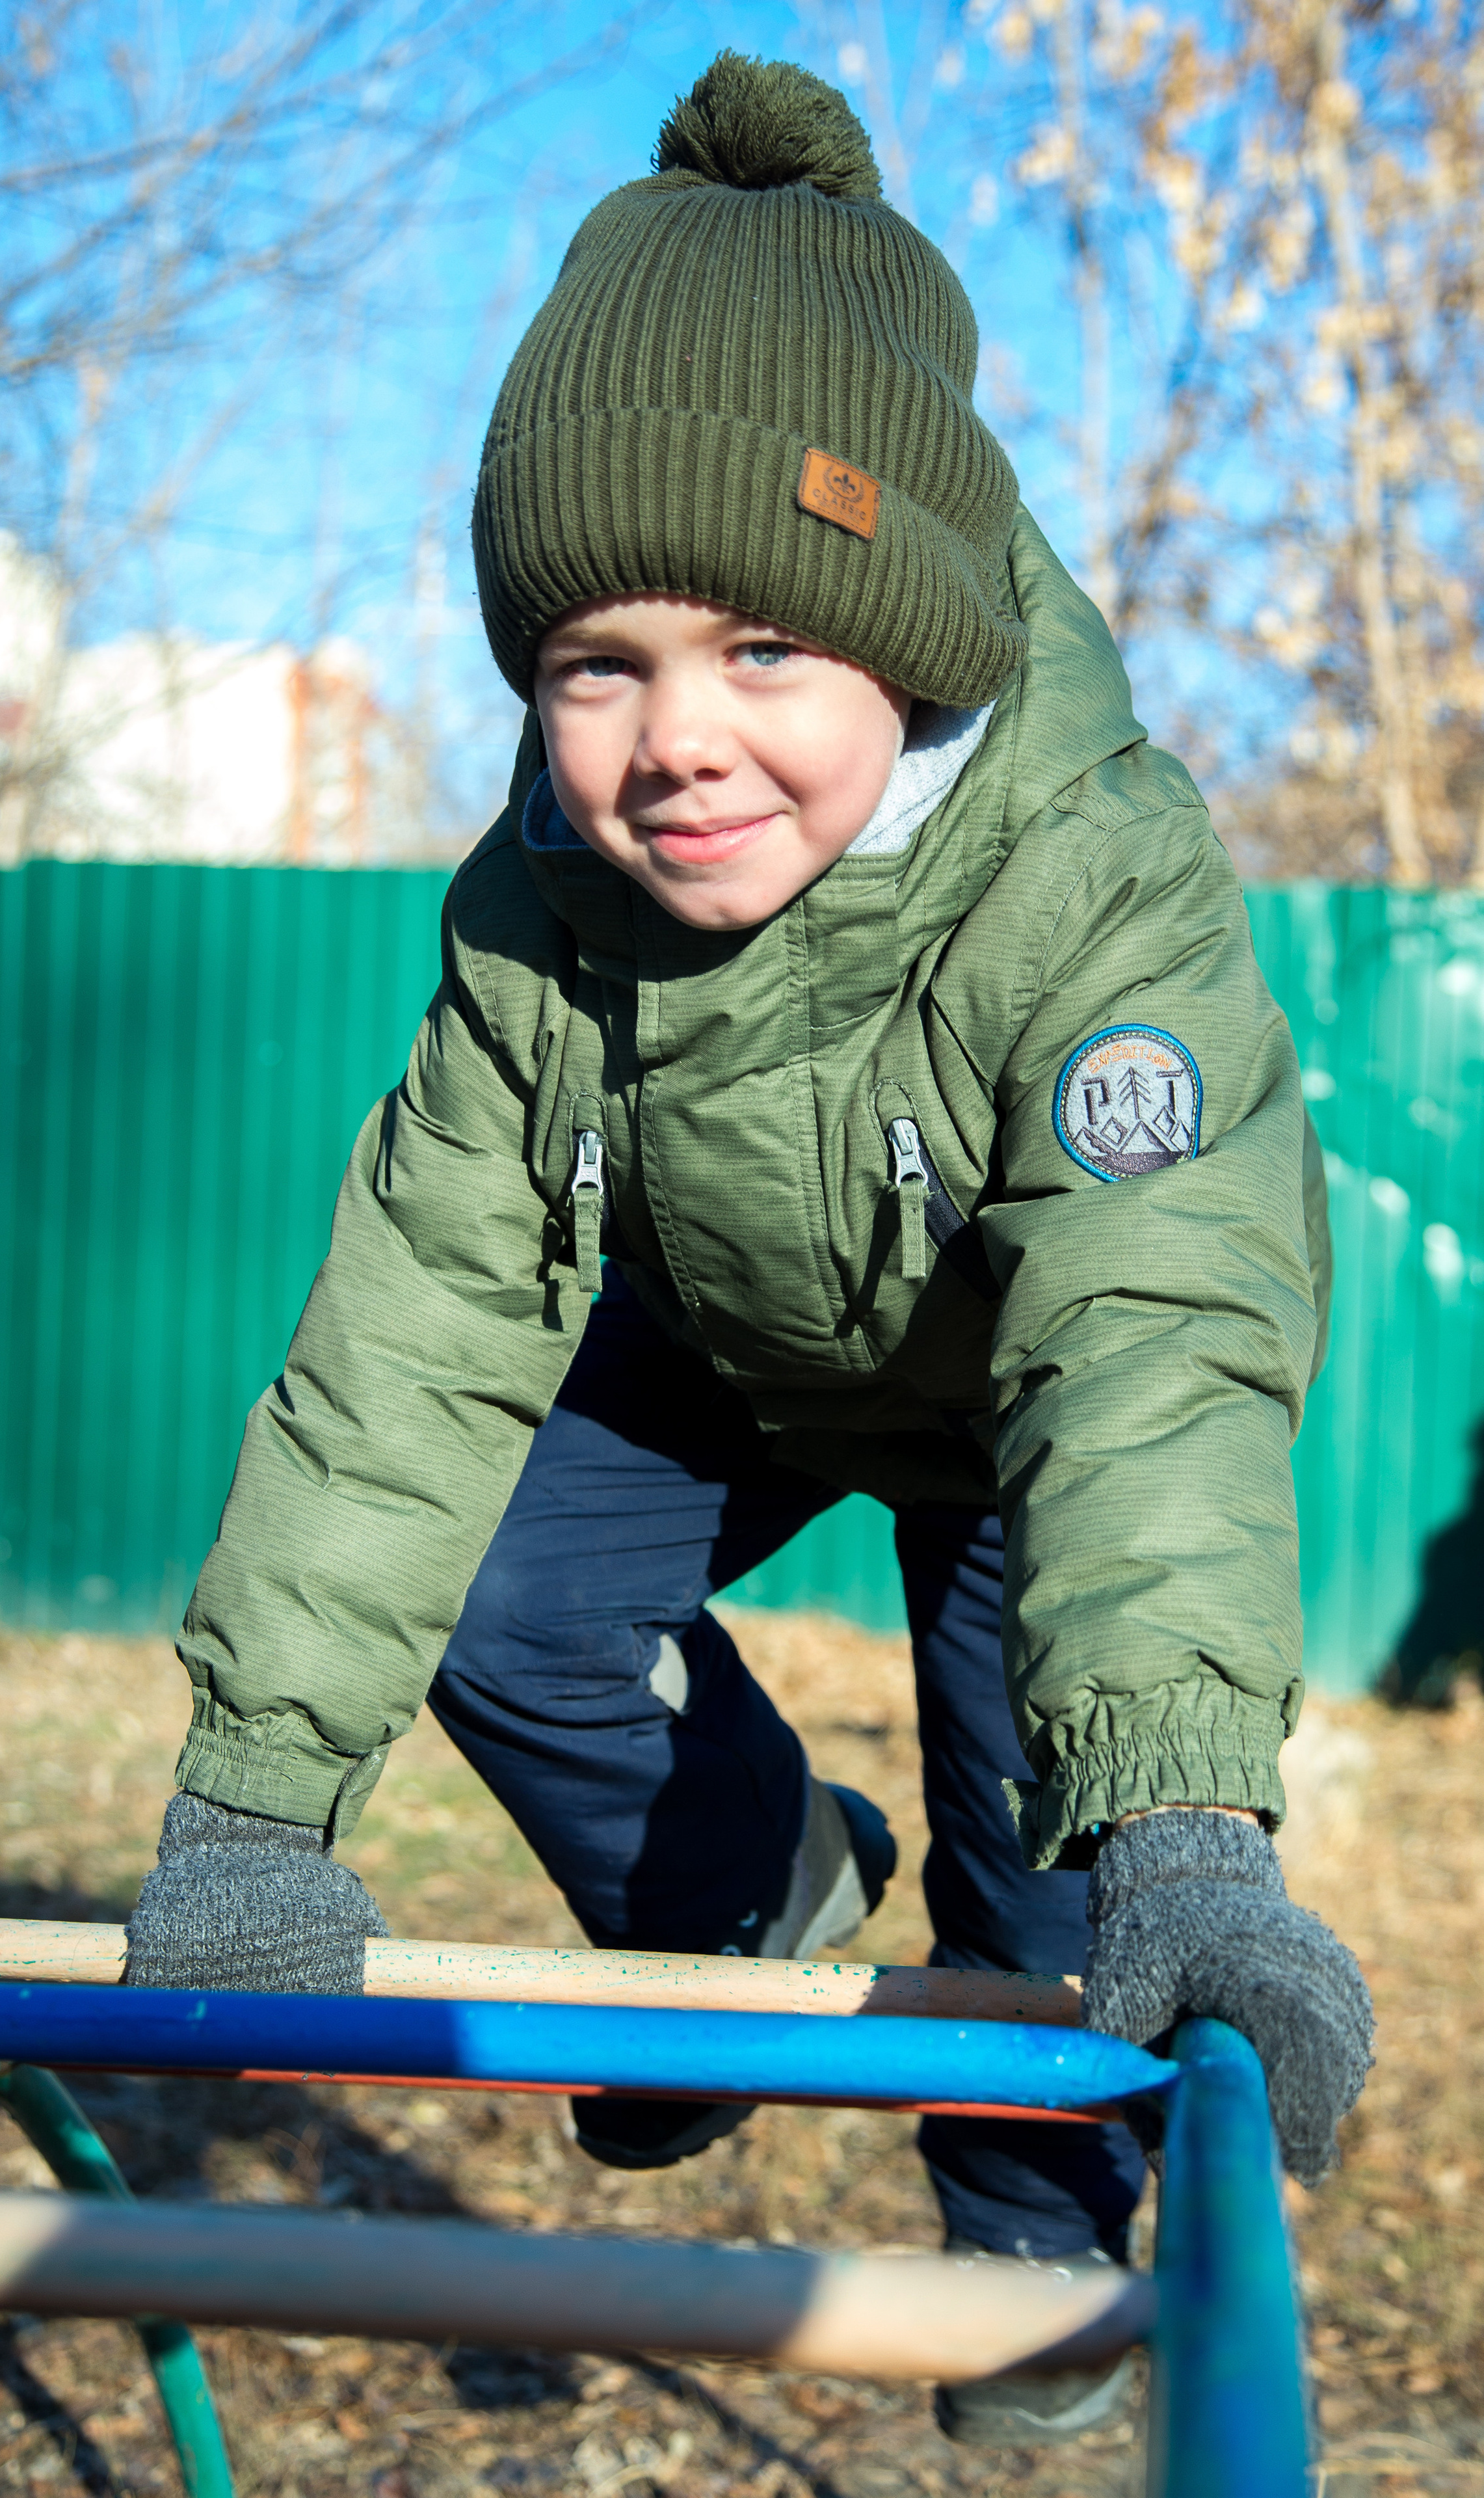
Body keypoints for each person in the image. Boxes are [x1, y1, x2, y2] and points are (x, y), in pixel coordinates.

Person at [126, 54, 1373, 2447]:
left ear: (902, 640)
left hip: (1028, 1390)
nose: (674, 740)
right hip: (725, 1322)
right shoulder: (549, 911)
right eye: (597, 666)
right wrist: (258, 1808)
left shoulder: (1088, 881)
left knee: (1047, 1877)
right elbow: (414, 1332)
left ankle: (1027, 2248)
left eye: (760, 654)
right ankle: (737, 1912)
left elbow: (1156, 1352)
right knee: (506, 1594)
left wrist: (1194, 1824)